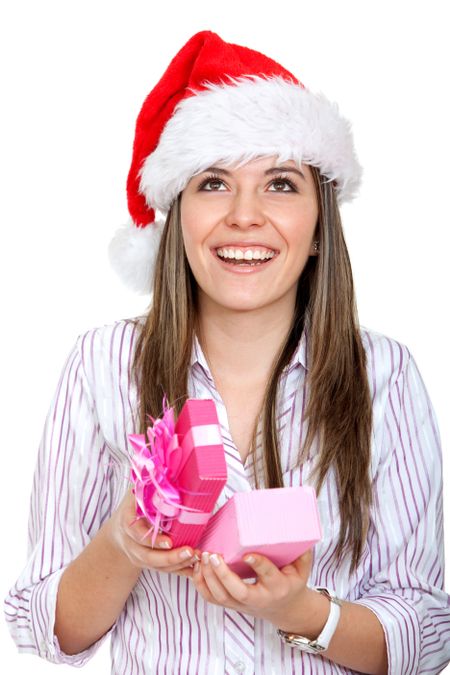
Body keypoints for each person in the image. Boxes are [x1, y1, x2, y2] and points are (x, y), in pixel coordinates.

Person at [4, 29, 450, 675]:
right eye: (213, 183)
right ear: (177, 216)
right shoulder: (103, 362)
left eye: (280, 184)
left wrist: (300, 610)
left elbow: (429, 634)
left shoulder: (383, 373)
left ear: (320, 227)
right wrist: (122, 542)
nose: (245, 214)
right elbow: (49, 630)